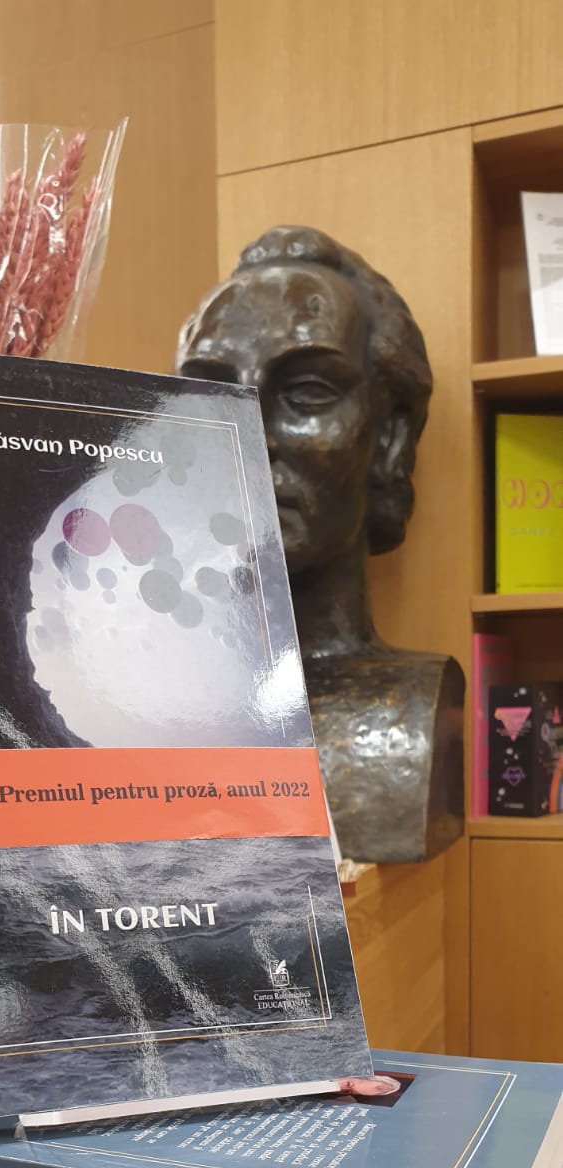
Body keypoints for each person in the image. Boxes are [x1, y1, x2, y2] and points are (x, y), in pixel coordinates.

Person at [176, 225, 463, 864]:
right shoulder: (136, 709)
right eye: (211, 397)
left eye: (306, 392)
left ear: (389, 440)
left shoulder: (409, 712)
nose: (247, 434)